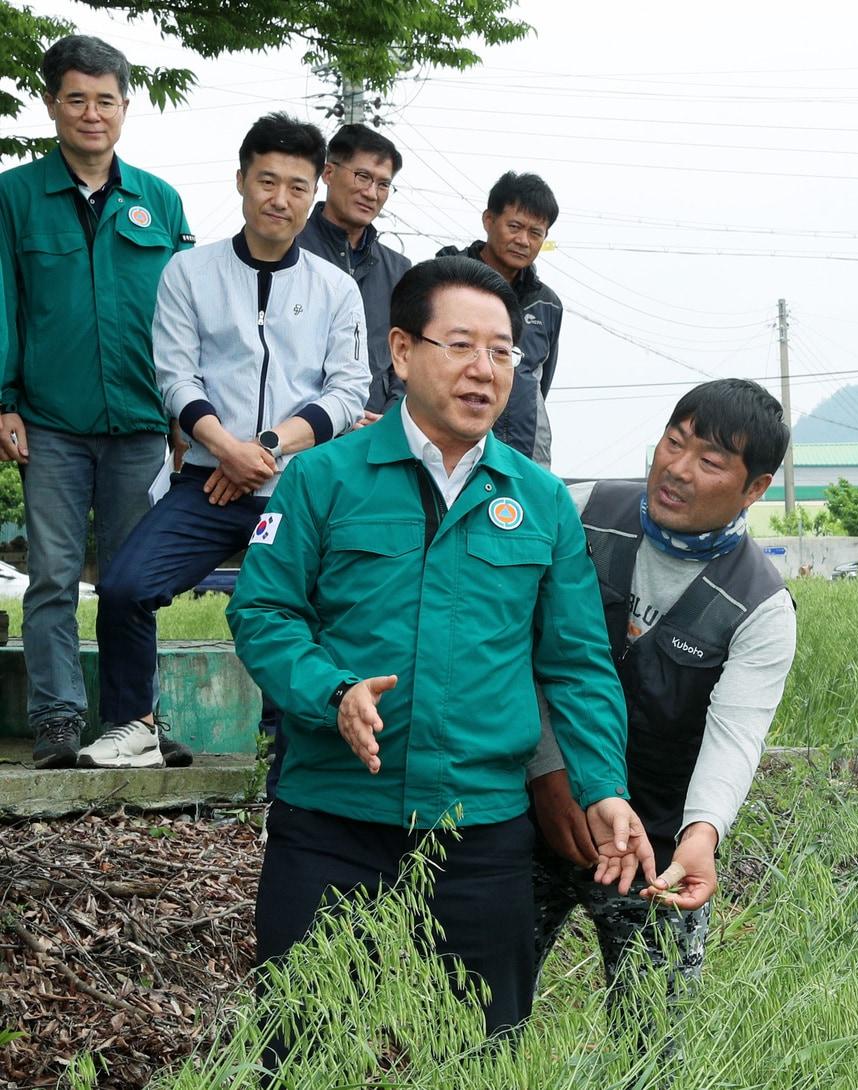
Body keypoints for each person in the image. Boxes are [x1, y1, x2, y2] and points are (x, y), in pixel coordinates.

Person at [226, 255, 652, 1038]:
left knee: (484, 1053)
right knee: (298, 1046)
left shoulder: (540, 500)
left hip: (480, 832)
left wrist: (604, 788)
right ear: (400, 351)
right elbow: (263, 613)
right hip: (332, 820)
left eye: (501, 352)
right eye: (460, 345)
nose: (484, 371)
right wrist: (332, 691)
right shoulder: (322, 479)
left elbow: (577, 664)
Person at [84, 112, 368, 768]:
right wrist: (227, 449)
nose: (280, 198)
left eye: (297, 186)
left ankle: (293, 743)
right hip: (209, 483)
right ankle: (136, 725)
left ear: (314, 194)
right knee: (126, 587)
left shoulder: (335, 288)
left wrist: (260, 449)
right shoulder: (190, 272)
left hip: (301, 489)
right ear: (241, 180)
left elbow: (348, 392)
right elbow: (174, 376)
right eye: (267, 180)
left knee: (310, 608)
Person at [528, 378, 798, 1039]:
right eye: (674, 443)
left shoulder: (761, 606)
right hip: (533, 809)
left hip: (654, 846)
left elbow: (735, 736)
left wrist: (701, 837)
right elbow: (512, 644)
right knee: (474, 1015)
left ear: (754, 488)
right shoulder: (582, 511)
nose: (676, 469)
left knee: (651, 1040)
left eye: (709, 461)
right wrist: (549, 774)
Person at [0, 35, 195, 770]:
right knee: (52, 571)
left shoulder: (160, 200)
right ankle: (55, 720)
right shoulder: (14, 196)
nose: (91, 113)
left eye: (105, 100)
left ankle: (131, 723)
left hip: (144, 424)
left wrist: (187, 413)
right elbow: (3, 305)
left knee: (131, 579)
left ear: (124, 107)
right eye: (76, 98)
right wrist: (2, 400)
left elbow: (187, 314)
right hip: (49, 420)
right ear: (51, 104)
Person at [437, 171, 561, 466]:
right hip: (448, 443)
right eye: (514, 226)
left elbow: (538, 385)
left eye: (536, 233)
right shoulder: (445, 279)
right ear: (489, 220)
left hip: (523, 454)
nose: (523, 240)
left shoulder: (548, 304)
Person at [296, 123, 411, 420]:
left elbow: (407, 355)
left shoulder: (398, 270)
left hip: (374, 433)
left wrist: (391, 416)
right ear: (329, 173)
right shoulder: (288, 251)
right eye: (363, 177)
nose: (371, 193)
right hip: (297, 432)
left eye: (383, 184)